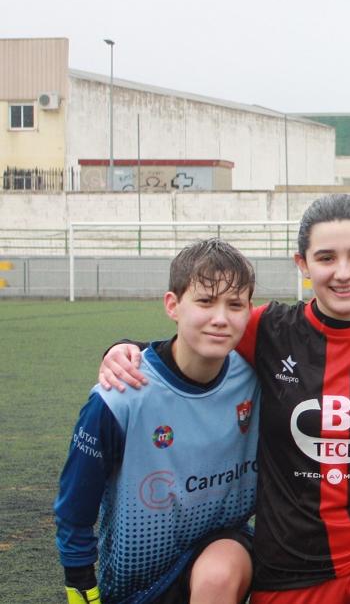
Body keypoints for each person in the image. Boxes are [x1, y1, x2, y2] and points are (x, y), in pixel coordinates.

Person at [101, 195, 350, 603]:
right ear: (303, 265)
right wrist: (125, 347)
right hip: (289, 563)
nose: (343, 272)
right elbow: (193, 346)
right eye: (326, 258)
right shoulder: (268, 329)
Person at [55, 238, 260, 604]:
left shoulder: (259, 377)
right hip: (134, 583)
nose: (220, 318)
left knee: (220, 570)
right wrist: (81, 588)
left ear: (250, 311)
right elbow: (75, 510)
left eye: (235, 305)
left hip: (220, 552)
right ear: (173, 305)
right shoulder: (120, 394)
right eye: (205, 301)